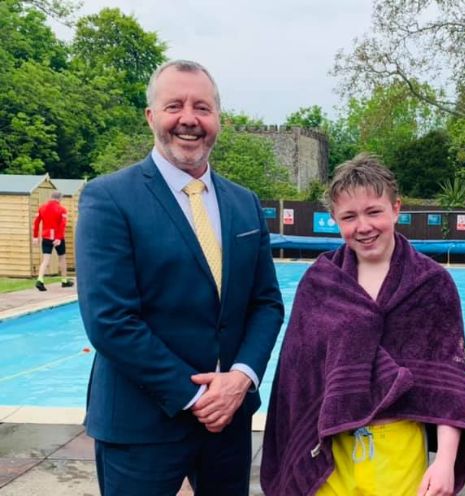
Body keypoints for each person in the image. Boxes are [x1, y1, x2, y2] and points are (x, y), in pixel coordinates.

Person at [76, 60, 284, 495]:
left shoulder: (244, 204)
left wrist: (240, 378)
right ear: (152, 116)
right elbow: (109, 320)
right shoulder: (109, 198)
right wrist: (196, 397)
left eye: (202, 108)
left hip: (227, 423)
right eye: (175, 105)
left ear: (218, 121)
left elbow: (265, 303)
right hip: (141, 423)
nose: (189, 118)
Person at [260, 154, 465, 496]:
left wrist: (444, 462)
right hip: (331, 449)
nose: (363, 227)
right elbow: (296, 378)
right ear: (335, 220)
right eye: (349, 216)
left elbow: (449, 386)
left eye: (374, 211)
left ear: (396, 208)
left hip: (399, 446)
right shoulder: (321, 283)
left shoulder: (432, 285)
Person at [32, 190, 73, 290]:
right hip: (58, 237)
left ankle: (40, 280)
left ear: (51, 197)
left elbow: (36, 223)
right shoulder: (62, 209)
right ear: (60, 198)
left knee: (45, 260)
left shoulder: (42, 208)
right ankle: (64, 280)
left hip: (46, 237)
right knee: (62, 258)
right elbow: (62, 225)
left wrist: (35, 236)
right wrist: (58, 238)